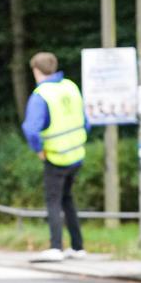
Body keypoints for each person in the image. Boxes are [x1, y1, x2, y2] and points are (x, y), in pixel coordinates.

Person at [21, 52, 90, 262]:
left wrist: (39, 149)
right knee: (67, 198)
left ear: (36, 71)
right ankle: (78, 247)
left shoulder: (42, 94)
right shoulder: (70, 87)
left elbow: (31, 129)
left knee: (53, 200)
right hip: (76, 154)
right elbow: (86, 121)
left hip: (56, 156)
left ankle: (55, 247)